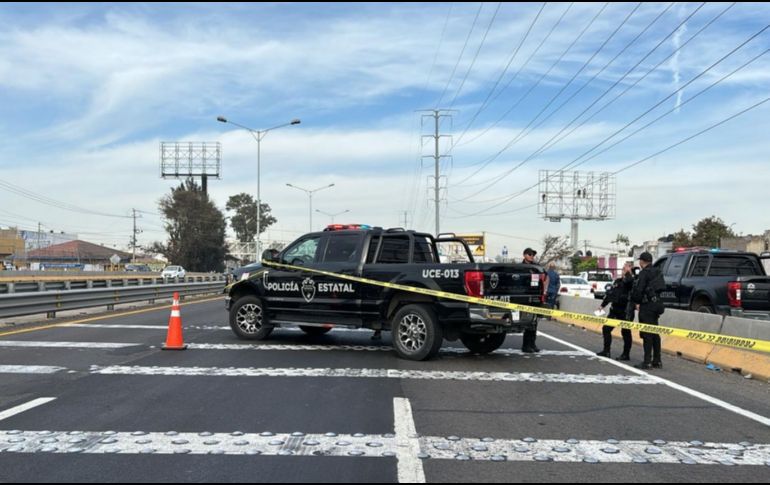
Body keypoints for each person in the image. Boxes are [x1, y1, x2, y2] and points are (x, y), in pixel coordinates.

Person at [630, 252, 666, 369]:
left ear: (642, 261)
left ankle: (647, 361)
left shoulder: (644, 273)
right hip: (657, 305)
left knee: (647, 334)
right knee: (655, 332)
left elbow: (638, 290)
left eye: (640, 260)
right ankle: (657, 360)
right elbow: (662, 287)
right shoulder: (658, 272)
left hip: (647, 306)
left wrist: (636, 302)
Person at [596, 262, 634, 361]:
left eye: (625, 269)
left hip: (625, 311)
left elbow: (629, 281)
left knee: (625, 332)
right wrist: (602, 305)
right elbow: (610, 294)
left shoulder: (631, 281)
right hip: (615, 310)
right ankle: (606, 351)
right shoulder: (617, 281)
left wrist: (628, 273)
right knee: (606, 329)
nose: (623, 271)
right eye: (623, 269)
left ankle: (626, 354)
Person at [521, 247, 541, 353]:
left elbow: (543, 277)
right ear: (524, 255)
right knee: (527, 321)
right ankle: (526, 345)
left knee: (534, 321)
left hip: (535, 296)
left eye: (533, 254)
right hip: (525, 296)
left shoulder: (536, 267)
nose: (531, 256)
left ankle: (532, 344)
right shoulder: (521, 267)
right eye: (529, 254)